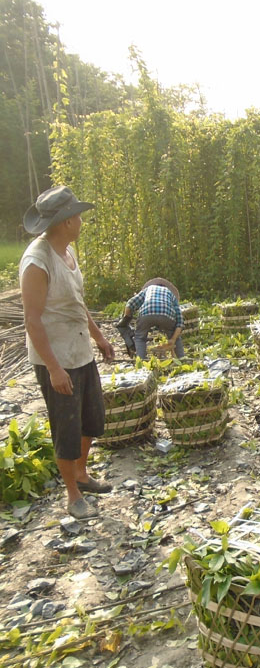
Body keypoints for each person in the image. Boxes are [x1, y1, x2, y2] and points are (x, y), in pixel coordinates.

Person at [20, 185, 115, 520]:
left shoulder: (67, 253)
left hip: (80, 350)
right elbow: (32, 321)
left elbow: (76, 303)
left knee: (92, 419)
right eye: (77, 216)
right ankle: (72, 496)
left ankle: (81, 473)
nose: (80, 221)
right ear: (65, 223)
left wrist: (99, 338)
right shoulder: (37, 261)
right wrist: (55, 369)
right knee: (66, 427)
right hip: (57, 358)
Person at [117, 278, 184, 359]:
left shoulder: (148, 289)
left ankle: (141, 363)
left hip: (146, 313)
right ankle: (183, 359)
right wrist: (173, 339)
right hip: (167, 315)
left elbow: (130, 304)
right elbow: (180, 322)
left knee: (140, 338)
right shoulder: (171, 294)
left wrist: (126, 319)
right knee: (175, 337)